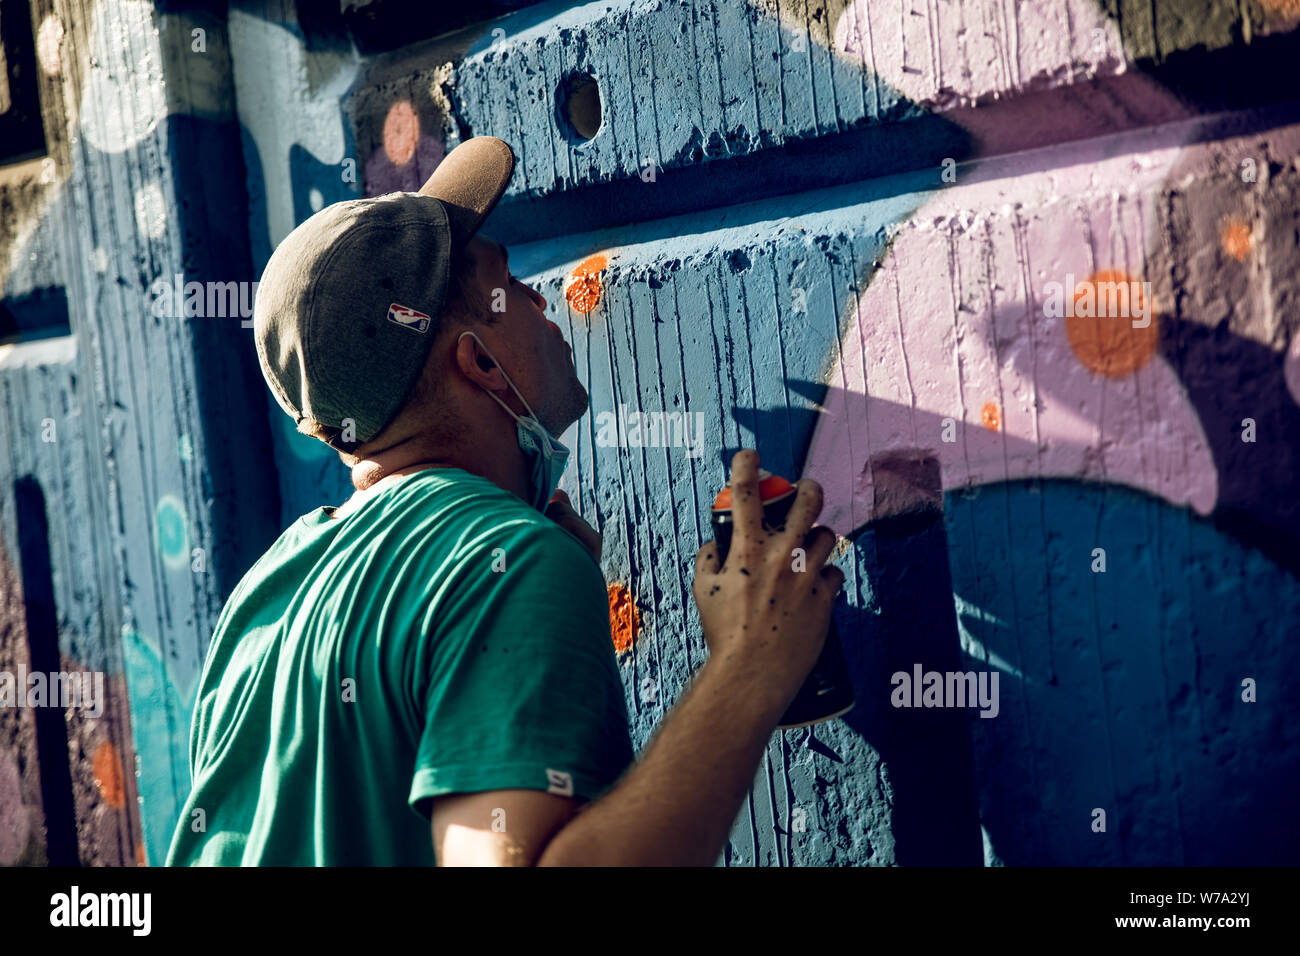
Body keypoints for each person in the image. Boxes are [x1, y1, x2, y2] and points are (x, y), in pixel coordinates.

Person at [164, 137, 844, 866]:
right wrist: (748, 668)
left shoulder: (270, 587)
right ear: (480, 361)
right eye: (507, 285)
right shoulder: (510, 563)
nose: (541, 299)